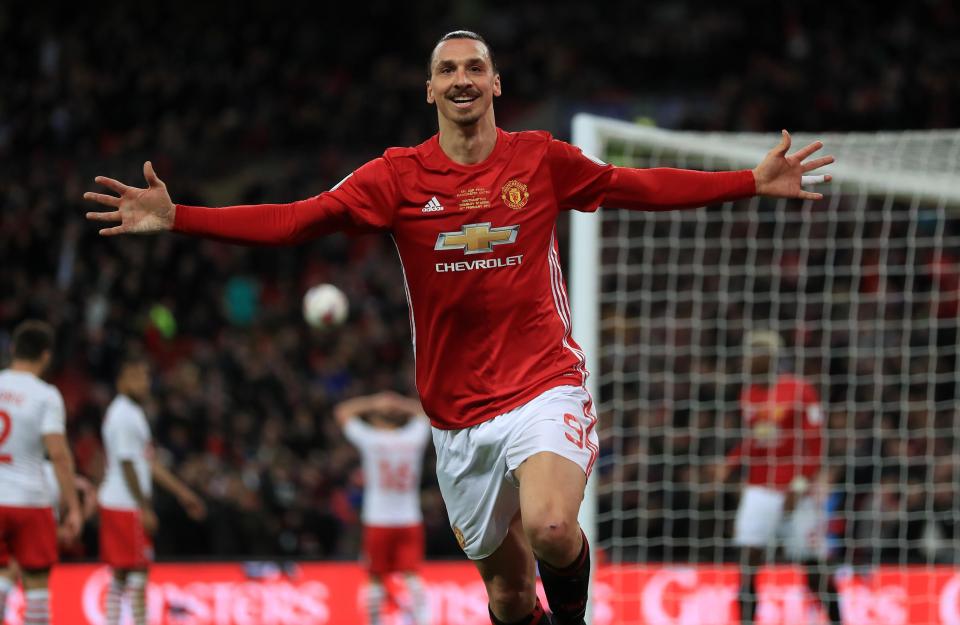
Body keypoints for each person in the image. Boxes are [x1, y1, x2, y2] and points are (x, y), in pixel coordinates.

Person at [83, 30, 834, 625]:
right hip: (456, 418)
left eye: (475, 67)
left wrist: (748, 181)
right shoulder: (397, 176)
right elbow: (296, 219)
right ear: (431, 89)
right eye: (449, 70)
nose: (463, 79)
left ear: (496, 82)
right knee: (508, 599)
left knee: (549, 528)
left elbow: (631, 186)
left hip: (545, 384)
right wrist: (180, 216)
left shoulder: (539, 158)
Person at [716, 330, 842, 625]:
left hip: (796, 490)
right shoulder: (747, 395)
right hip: (759, 488)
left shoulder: (800, 391)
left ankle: (837, 619)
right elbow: (753, 440)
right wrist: (731, 463)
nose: (746, 362)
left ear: (767, 359)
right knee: (748, 561)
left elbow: (816, 444)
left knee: (813, 566)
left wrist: (800, 486)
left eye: (752, 357)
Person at [97, 354, 206, 625]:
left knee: (121, 574)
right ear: (122, 380)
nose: (145, 382)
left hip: (118, 502)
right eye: (138, 376)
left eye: (146, 377)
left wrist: (183, 493)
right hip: (126, 505)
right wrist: (144, 507)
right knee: (138, 573)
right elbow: (127, 465)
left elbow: (147, 463)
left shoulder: (131, 412)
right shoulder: (123, 415)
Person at [0, 320, 82, 625]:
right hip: (31, 500)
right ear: (46, 356)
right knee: (36, 584)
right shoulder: (46, 395)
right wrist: (72, 507)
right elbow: (58, 455)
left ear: (12, 349)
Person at [334, 391, 432, 625]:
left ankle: (375, 622)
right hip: (409, 518)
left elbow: (342, 412)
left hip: (378, 519)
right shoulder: (413, 438)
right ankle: (424, 620)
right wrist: (400, 404)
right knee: (411, 574)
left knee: (375, 576)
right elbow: (427, 414)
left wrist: (374, 402)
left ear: (378, 421)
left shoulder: (372, 439)